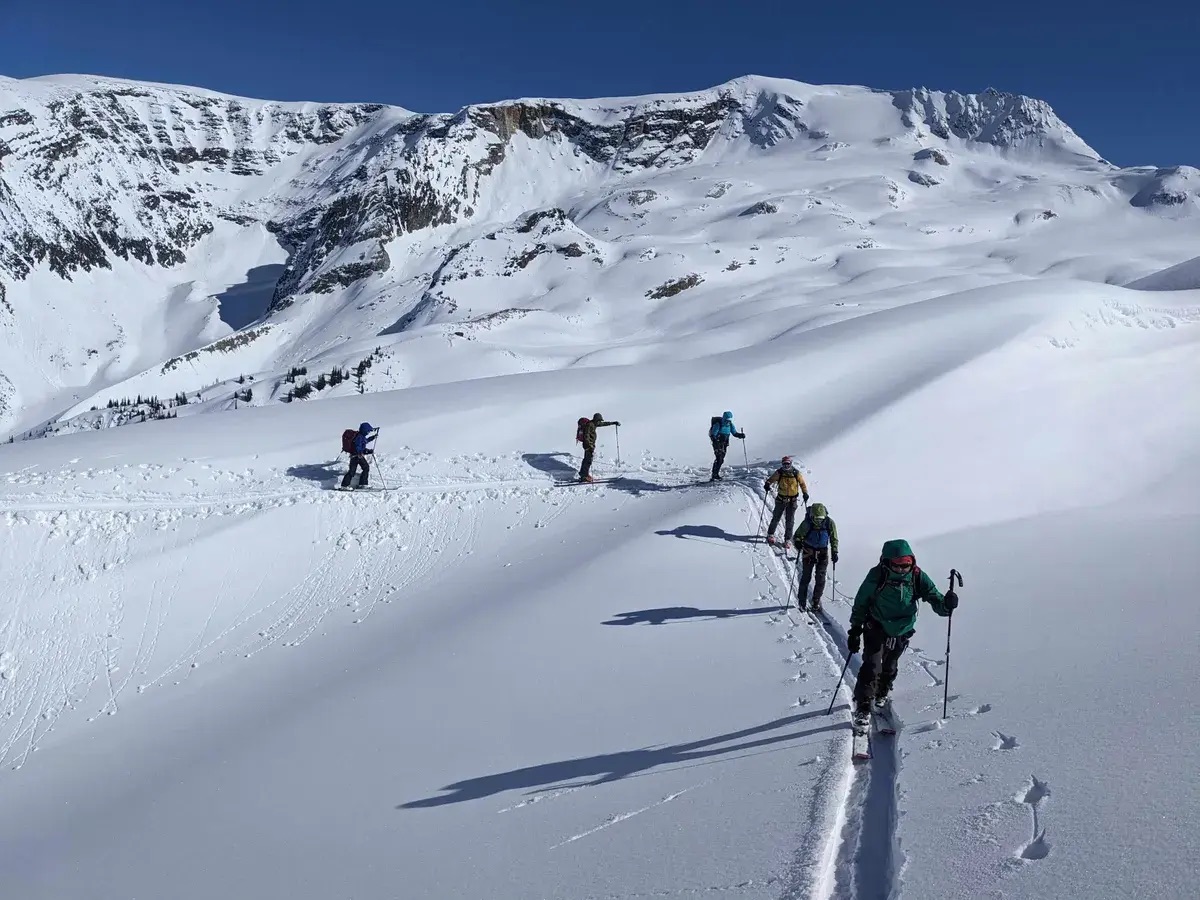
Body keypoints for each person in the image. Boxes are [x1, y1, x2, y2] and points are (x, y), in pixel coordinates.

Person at [847, 539, 959, 730]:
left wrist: (947, 605)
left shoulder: (917, 576)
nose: (901, 569)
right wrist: (855, 629)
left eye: (906, 564)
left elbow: (933, 596)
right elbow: (861, 602)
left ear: (912, 562)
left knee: (890, 665)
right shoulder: (877, 575)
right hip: (876, 625)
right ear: (886, 562)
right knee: (872, 665)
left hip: (902, 629)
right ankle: (863, 707)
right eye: (897, 565)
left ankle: (882, 691)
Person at [791, 502, 838, 611]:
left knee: (820, 578)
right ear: (812, 516)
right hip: (808, 550)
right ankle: (802, 601)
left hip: (823, 552)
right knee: (806, 576)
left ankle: (816, 600)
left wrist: (835, 551)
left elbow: (834, 538)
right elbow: (797, 535)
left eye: (821, 519)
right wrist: (798, 542)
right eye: (816, 518)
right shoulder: (807, 523)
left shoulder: (829, 523)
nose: (818, 521)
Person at [764, 456, 809, 545]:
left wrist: (805, 493)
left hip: (792, 500)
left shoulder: (796, 473)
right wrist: (767, 484)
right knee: (776, 517)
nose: (786, 466)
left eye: (787, 464)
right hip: (781, 499)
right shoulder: (779, 472)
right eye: (784, 464)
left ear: (790, 464)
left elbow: (802, 483)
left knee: (790, 520)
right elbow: (771, 480)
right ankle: (770, 534)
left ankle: (787, 539)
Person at [577, 412, 619, 482]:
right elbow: (586, 436)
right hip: (588, 445)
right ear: (596, 419)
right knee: (588, 461)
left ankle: (584, 474)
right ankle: (584, 476)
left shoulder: (594, 423)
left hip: (590, 445)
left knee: (587, 460)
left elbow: (603, 424)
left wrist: (613, 423)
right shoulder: (590, 425)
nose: (600, 422)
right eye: (599, 420)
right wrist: (589, 446)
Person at [708, 411, 745, 481]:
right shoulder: (718, 424)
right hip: (717, 443)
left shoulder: (730, 425)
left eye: (729, 420)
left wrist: (740, 435)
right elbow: (713, 435)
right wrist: (716, 443)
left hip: (724, 444)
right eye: (727, 420)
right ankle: (715, 475)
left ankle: (715, 474)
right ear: (724, 418)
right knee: (719, 458)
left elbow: (734, 433)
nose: (728, 422)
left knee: (721, 459)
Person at [339, 422, 377, 489]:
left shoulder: (361, 436)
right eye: (368, 431)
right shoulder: (359, 437)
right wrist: (360, 452)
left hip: (356, 456)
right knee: (362, 468)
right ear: (364, 430)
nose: (368, 432)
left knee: (355, 470)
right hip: (357, 456)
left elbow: (366, 441)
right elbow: (358, 446)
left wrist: (373, 437)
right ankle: (360, 484)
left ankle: (346, 485)